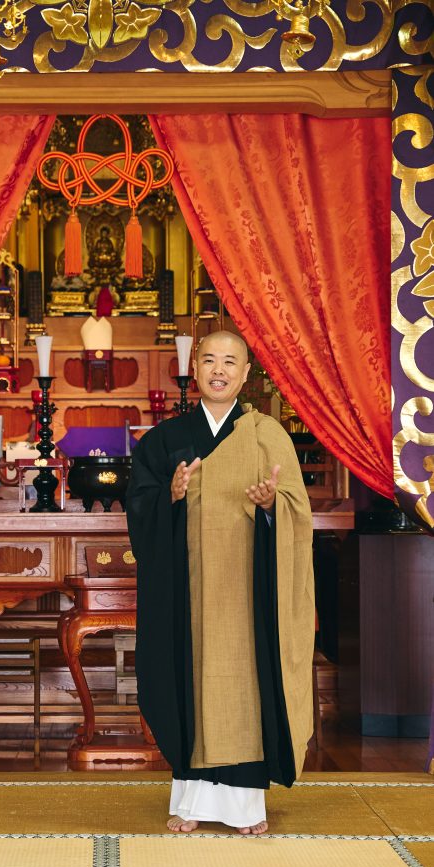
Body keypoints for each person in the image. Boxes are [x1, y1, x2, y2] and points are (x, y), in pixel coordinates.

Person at [125, 330, 314, 835]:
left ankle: (247, 808)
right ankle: (189, 802)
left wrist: (273, 506)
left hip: (248, 590)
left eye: (230, 362)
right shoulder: (166, 440)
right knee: (191, 682)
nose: (219, 369)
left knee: (246, 686)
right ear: (196, 369)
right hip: (187, 589)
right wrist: (171, 495)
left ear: (246, 373)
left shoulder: (267, 433)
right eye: (209, 360)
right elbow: (139, 505)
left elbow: (299, 511)